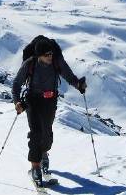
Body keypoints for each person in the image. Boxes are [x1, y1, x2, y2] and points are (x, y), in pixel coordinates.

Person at [11, 38, 87, 187]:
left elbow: (68, 75)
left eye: (51, 54)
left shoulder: (57, 62)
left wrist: (79, 84)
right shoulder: (30, 64)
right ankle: (35, 167)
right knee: (36, 133)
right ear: (39, 55)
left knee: (46, 133)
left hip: (50, 101)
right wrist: (17, 102)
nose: (50, 57)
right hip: (32, 100)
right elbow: (16, 84)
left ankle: (43, 153)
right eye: (47, 55)